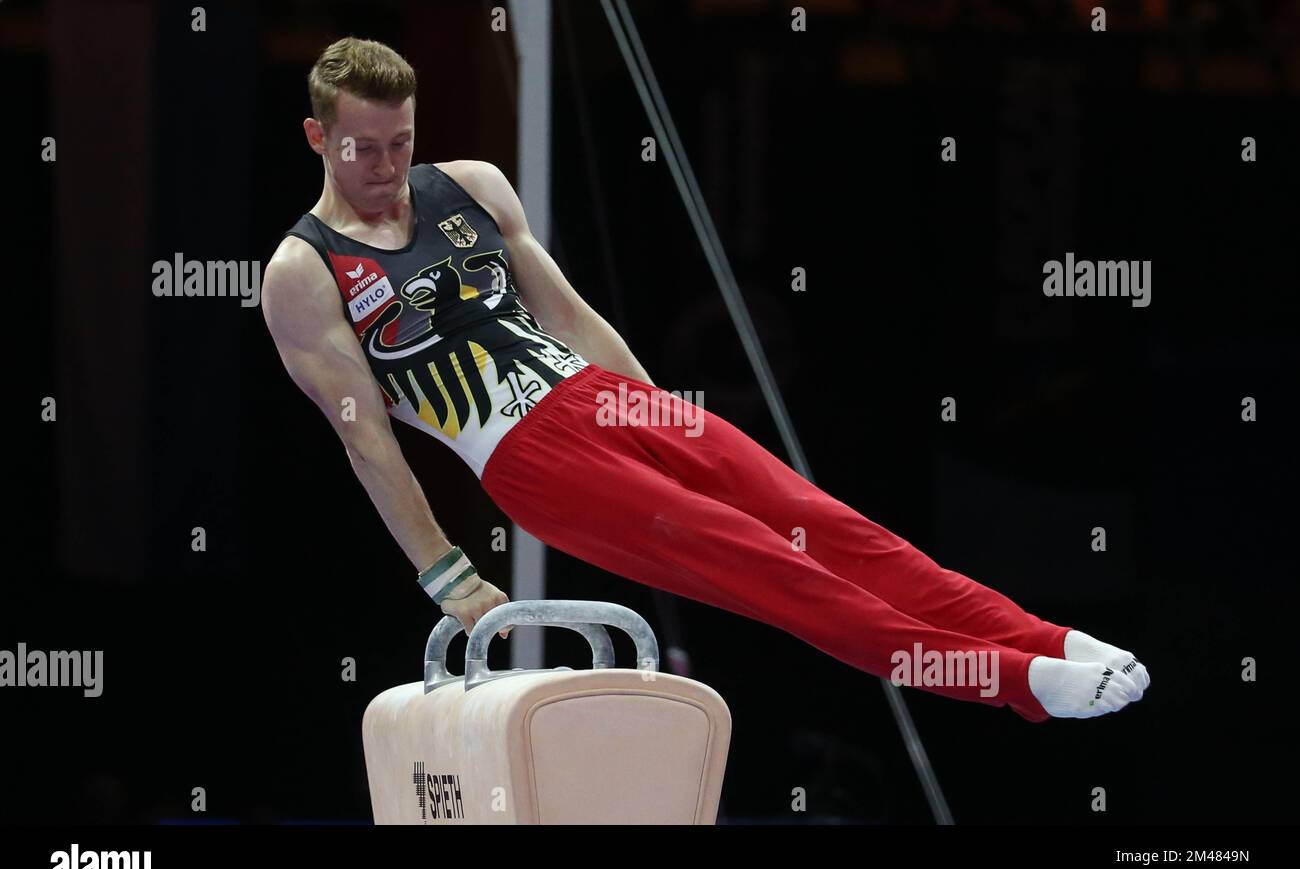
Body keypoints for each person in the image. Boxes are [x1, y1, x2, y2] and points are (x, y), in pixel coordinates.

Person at [261, 38, 1150, 722]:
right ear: (317, 136)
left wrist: (651, 412)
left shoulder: (471, 187)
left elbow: (569, 318)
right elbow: (365, 441)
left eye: (399, 141)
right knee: (774, 572)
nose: (384, 168)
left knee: (836, 529)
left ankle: (1049, 638)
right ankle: (1021, 684)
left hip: (605, 398)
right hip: (529, 459)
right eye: (362, 149)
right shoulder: (303, 272)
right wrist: (445, 574)